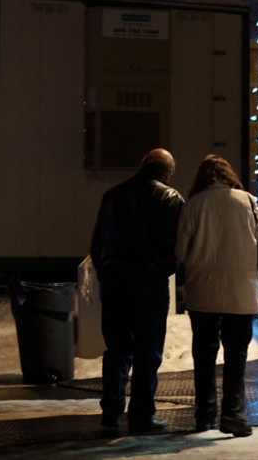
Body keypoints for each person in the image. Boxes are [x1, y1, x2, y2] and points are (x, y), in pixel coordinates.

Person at [89, 148, 184, 434]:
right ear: (167, 173)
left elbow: (97, 243)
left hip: (115, 279)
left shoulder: (113, 195)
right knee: (147, 349)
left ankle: (111, 411)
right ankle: (142, 415)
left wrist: (106, 272)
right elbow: (175, 245)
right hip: (149, 281)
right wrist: (168, 269)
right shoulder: (170, 197)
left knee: (117, 347)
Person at [175, 155, 258, 436]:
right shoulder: (248, 201)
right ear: (228, 175)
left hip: (203, 289)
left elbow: (180, 250)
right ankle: (233, 415)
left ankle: (205, 414)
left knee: (204, 354)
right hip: (241, 290)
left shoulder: (194, 204)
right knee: (236, 354)